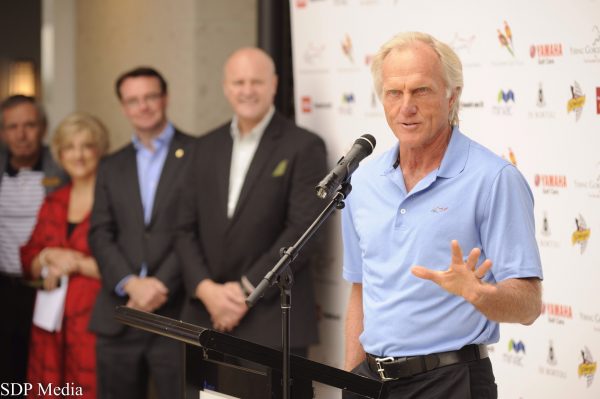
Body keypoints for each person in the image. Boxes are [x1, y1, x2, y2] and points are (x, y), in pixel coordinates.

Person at [342, 32, 543, 398]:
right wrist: (350, 379)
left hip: (450, 383)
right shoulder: (363, 180)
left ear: (452, 95)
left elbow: (529, 305)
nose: (406, 106)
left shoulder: (494, 179)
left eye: (421, 90)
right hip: (368, 383)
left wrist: (479, 293)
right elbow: (360, 290)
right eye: (394, 93)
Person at [176, 47, 326, 355]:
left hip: (273, 323)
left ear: (274, 84)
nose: (247, 91)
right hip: (206, 317)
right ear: (225, 87)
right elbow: (182, 228)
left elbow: (304, 231)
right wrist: (206, 290)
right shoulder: (203, 147)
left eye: (256, 82)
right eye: (238, 82)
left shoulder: (304, 146)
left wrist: (248, 289)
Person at [88, 67, 194, 399]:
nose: (143, 106)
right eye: (133, 100)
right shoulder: (110, 164)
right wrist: (131, 283)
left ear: (165, 98)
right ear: (123, 107)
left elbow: (198, 231)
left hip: (176, 314)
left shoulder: (199, 153)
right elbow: (100, 233)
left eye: (150, 97)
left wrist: (160, 285)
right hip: (121, 313)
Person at [20, 112, 109, 398]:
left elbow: (129, 265)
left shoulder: (115, 201)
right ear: (59, 154)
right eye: (70, 147)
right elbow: (28, 259)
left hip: (94, 322)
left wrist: (77, 263)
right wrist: (47, 256)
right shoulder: (53, 201)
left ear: (100, 150)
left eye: (87, 146)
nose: (78, 155)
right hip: (50, 325)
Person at [0, 95, 67, 390]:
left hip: (48, 291)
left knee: (45, 375)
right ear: (3, 132)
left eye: (29, 125)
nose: (21, 134)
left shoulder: (62, 170)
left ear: (43, 128)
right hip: (4, 287)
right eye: (12, 126)